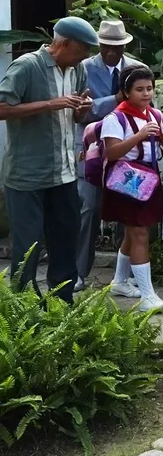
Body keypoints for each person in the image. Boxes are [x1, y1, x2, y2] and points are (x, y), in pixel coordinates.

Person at [0, 17, 97, 302]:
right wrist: (50, 104)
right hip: (27, 175)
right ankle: (24, 306)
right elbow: (3, 107)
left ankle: (61, 304)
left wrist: (82, 109)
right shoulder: (27, 66)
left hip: (65, 173)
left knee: (66, 240)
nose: (86, 57)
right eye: (82, 50)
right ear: (64, 44)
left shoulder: (78, 70)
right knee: (28, 246)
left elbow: (77, 115)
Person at [100, 65, 163, 312]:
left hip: (149, 179)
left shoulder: (155, 115)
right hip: (126, 181)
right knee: (140, 233)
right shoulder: (115, 118)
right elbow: (112, 152)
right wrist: (140, 135)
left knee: (134, 232)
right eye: (139, 89)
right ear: (125, 91)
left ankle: (120, 282)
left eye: (150, 89)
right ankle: (147, 295)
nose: (146, 94)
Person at [77, 19, 139, 293]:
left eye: (117, 47)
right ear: (99, 45)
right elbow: (82, 110)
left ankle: (125, 276)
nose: (111, 52)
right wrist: (116, 99)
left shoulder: (137, 68)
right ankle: (78, 272)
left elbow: (143, 106)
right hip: (92, 153)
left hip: (127, 152)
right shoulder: (83, 68)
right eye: (106, 47)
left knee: (130, 213)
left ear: (125, 45)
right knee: (88, 209)